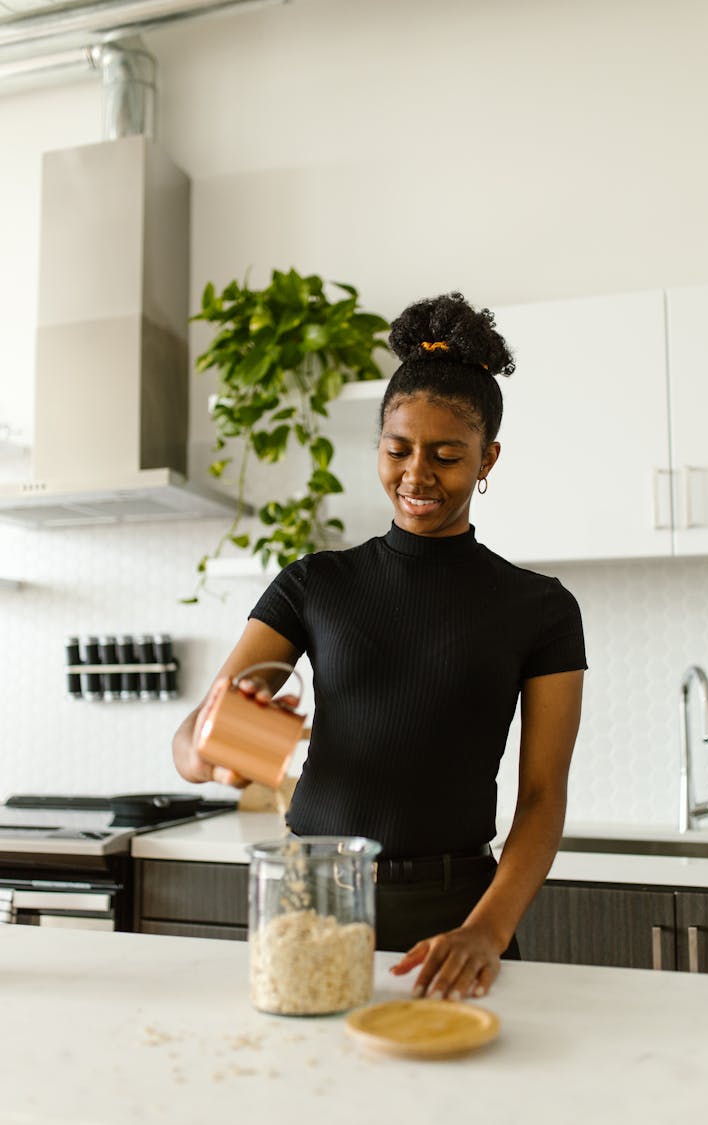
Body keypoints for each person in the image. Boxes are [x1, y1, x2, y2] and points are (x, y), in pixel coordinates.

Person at [173, 291, 586, 1002]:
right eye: (398, 450)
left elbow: (543, 798)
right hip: (311, 908)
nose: (416, 474)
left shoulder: (541, 608)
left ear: (488, 459)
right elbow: (189, 745)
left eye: (448, 455)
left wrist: (486, 930)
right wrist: (215, 745)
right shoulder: (314, 583)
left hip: (457, 917)